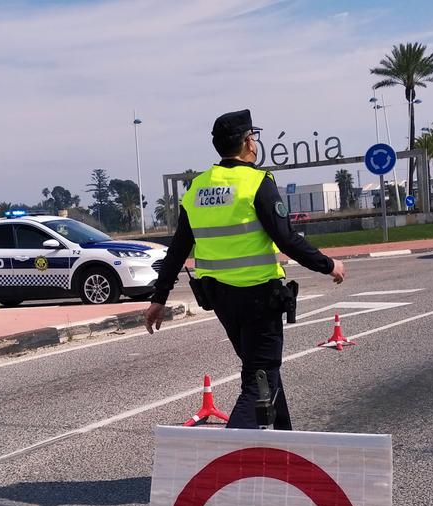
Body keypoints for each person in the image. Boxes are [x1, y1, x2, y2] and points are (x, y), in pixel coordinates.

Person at [144, 109, 345, 429]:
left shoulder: (197, 188)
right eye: (254, 138)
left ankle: (283, 446)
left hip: (221, 299)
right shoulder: (257, 182)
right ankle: (227, 460)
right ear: (248, 143)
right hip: (259, 295)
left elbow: (178, 248)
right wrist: (329, 265)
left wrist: (160, 297)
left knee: (264, 373)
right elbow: (285, 238)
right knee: (258, 380)